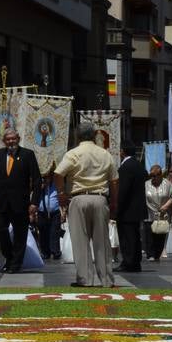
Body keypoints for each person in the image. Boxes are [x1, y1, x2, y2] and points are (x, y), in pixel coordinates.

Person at [54, 123, 118, 288]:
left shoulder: (73, 153)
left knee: (80, 241)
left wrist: (61, 193)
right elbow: (114, 180)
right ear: (94, 136)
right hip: (100, 197)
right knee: (102, 241)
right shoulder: (105, 154)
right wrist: (114, 201)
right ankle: (106, 279)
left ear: (78, 136)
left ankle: (85, 279)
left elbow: (58, 173)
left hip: (79, 197)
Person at [0, 128, 42, 273]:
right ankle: (10, 256)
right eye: (8, 139)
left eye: (13, 138)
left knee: (20, 234)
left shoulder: (28, 154)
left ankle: (15, 265)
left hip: (21, 203)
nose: (11, 141)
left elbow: (37, 180)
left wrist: (34, 202)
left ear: (18, 138)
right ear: (4, 141)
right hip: (2, 202)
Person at [115, 145, 147, 272]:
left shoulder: (125, 167)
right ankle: (135, 261)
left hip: (127, 208)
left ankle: (128, 262)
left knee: (126, 237)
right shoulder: (138, 165)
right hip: (138, 207)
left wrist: (118, 206)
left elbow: (123, 189)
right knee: (135, 236)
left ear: (123, 151)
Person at [144, 164, 172, 262]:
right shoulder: (146, 184)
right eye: (151, 175)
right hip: (149, 213)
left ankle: (157, 254)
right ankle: (150, 254)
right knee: (149, 236)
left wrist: (166, 205)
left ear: (160, 175)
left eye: (155, 175)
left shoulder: (167, 184)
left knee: (160, 236)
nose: (153, 178)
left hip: (162, 214)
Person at [35, 169, 62, 260]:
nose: (47, 180)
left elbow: (60, 195)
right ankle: (45, 252)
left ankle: (55, 251)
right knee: (43, 232)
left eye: (48, 177)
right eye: (45, 178)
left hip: (54, 212)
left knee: (54, 232)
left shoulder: (56, 186)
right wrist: (40, 188)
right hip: (42, 212)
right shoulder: (39, 187)